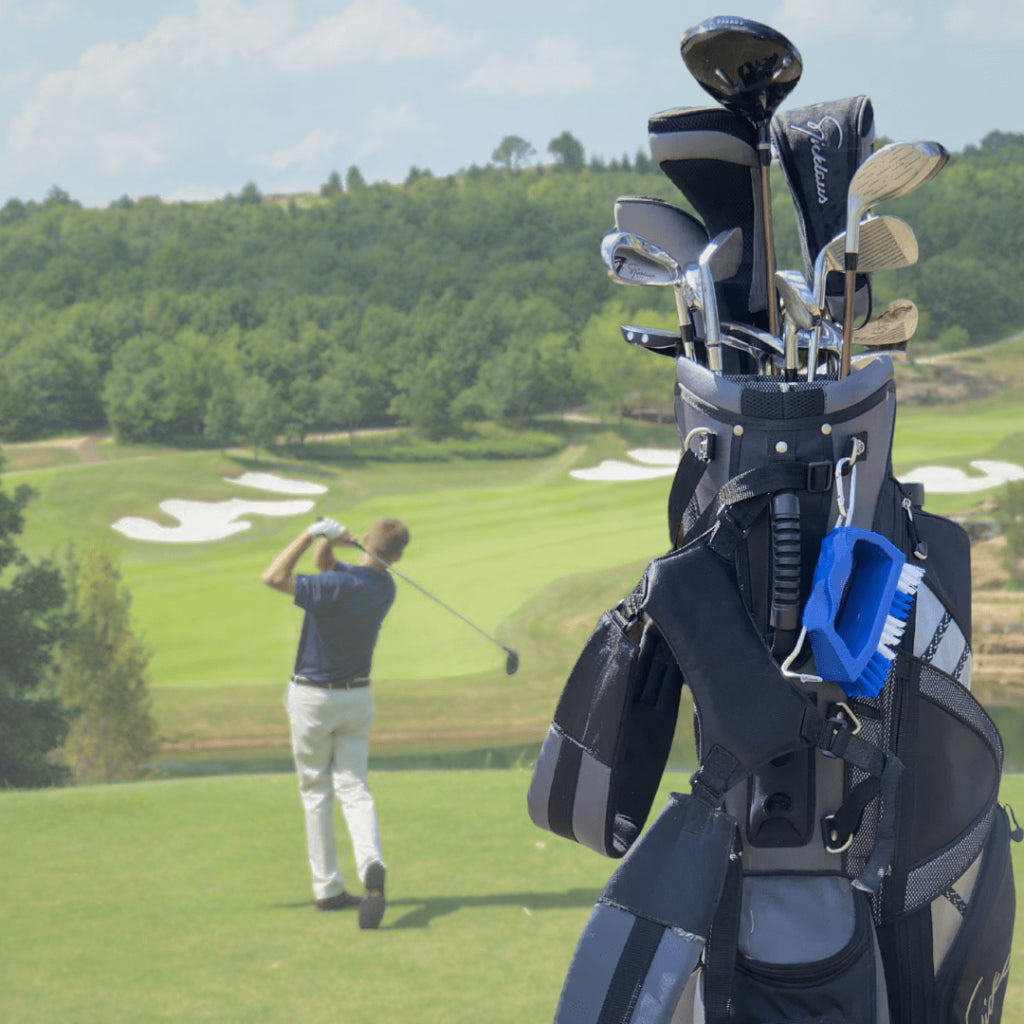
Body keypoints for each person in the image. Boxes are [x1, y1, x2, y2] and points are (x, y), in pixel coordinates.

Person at [261, 515, 410, 928]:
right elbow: (328, 566)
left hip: (313, 699)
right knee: (354, 787)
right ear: (397, 555)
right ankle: (371, 863)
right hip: (357, 699)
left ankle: (327, 889)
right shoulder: (385, 587)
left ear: (366, 539)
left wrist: (311, 533)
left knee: (316, 791)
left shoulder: (333, 588)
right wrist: (332, 541)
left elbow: (273, 577)